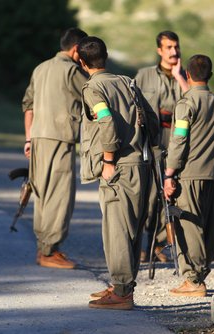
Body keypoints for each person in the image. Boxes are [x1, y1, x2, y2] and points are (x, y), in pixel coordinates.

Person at [77, 36, 159, 310]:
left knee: (116, 231)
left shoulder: (93, 88)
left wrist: (109, 160)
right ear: (106, 56)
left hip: (119, 168)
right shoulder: (128, 82)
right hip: (141, 165)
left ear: (81, 61)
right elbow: (152, 120)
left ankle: (123, 292)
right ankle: (122, 284)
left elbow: (106, 121)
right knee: (131, 229)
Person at [21, 27, 88, 269]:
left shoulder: (40, 68)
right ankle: (50, 251)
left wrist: (28, 138)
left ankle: (44, 248)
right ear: (76, 49)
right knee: (60, 196)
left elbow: (27, 105)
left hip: (38, 137)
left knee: (42, 195)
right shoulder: (72, 70)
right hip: (60, 138)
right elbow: (93, 94)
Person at [163, 54, 214, 297]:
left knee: (189, 226)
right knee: (208, 226)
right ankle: (201, 273)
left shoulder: (186, 103)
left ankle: (194, 280)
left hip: (189, 174)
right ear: (209, 76)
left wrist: (169, 173)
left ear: (188, 75)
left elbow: (179, 139)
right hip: (212, 174)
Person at [134, 31, 189, 263]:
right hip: (152, 140)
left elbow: (195, 103)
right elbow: (133, 104)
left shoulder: (186, 75)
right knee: (148, 196)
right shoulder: (144, 75)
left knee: (170, 195)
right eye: (168, 47)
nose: (174, 51)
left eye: (176, 47)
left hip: (177, 141)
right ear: (159, 50)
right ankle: (141, 246)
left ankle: (158, 245)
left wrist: (180, 78)